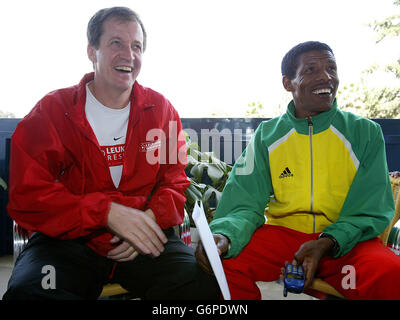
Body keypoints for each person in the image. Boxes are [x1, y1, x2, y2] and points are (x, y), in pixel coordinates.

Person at [3, 7, 219, 300]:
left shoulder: (161, 111)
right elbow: (27, 194)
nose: (128, 55)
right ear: (92, 51)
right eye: (116, 42)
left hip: (147, 236)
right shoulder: (52, 111)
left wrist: (149, 221)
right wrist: (105, 213)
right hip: (68, 241)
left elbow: (174, 182)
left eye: (136, 46)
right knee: (31, 293)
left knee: (200, 285)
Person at [196, 41, 400, 300]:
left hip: (345, 243)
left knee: (391, 273)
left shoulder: (365, 132)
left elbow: (369, 209)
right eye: (311, 69)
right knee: (218, 263)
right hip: (284, 241)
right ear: (288, 83)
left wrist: (327, 242)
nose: (326, 76)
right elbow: (243, 203)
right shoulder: (266, 136)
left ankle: (321, 283)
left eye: (331, 68)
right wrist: (225, 235)